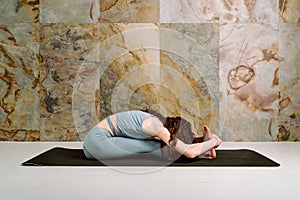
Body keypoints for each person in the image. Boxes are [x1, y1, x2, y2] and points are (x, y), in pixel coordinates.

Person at [83, 110, 222, 162]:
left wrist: (204, 143)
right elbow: (189, 152)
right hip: (98, 142)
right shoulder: (154, 126)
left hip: (90, 147)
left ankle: (204, 151)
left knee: (159, 147)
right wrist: (214, 141)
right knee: (155, 147)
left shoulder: (152, 120)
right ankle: (204, 150)